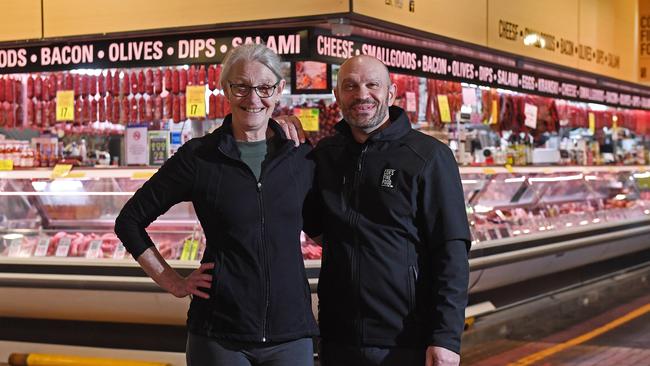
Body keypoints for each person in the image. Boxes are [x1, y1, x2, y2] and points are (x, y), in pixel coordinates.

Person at [114, 44, 319, 366]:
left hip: (290, 332)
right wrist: (173, 282)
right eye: (241, 87)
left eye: (265, 88)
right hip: (219, 334)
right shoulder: (199, 157)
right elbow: (129, 220)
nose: (253, 99)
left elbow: (323, 226)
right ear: (226, 89)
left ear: (279, 90)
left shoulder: (301, 156)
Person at [282, 55, 471, 366]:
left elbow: (451, 251)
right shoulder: (325, 156)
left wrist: (446, 337)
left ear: (391, 92)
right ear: (337, 95)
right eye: (351, 86)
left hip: (405, 339)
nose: (362, 94)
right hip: (337, 337)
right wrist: (289, 146)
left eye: (372, 85)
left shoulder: (428, 156)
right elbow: (314, 227)